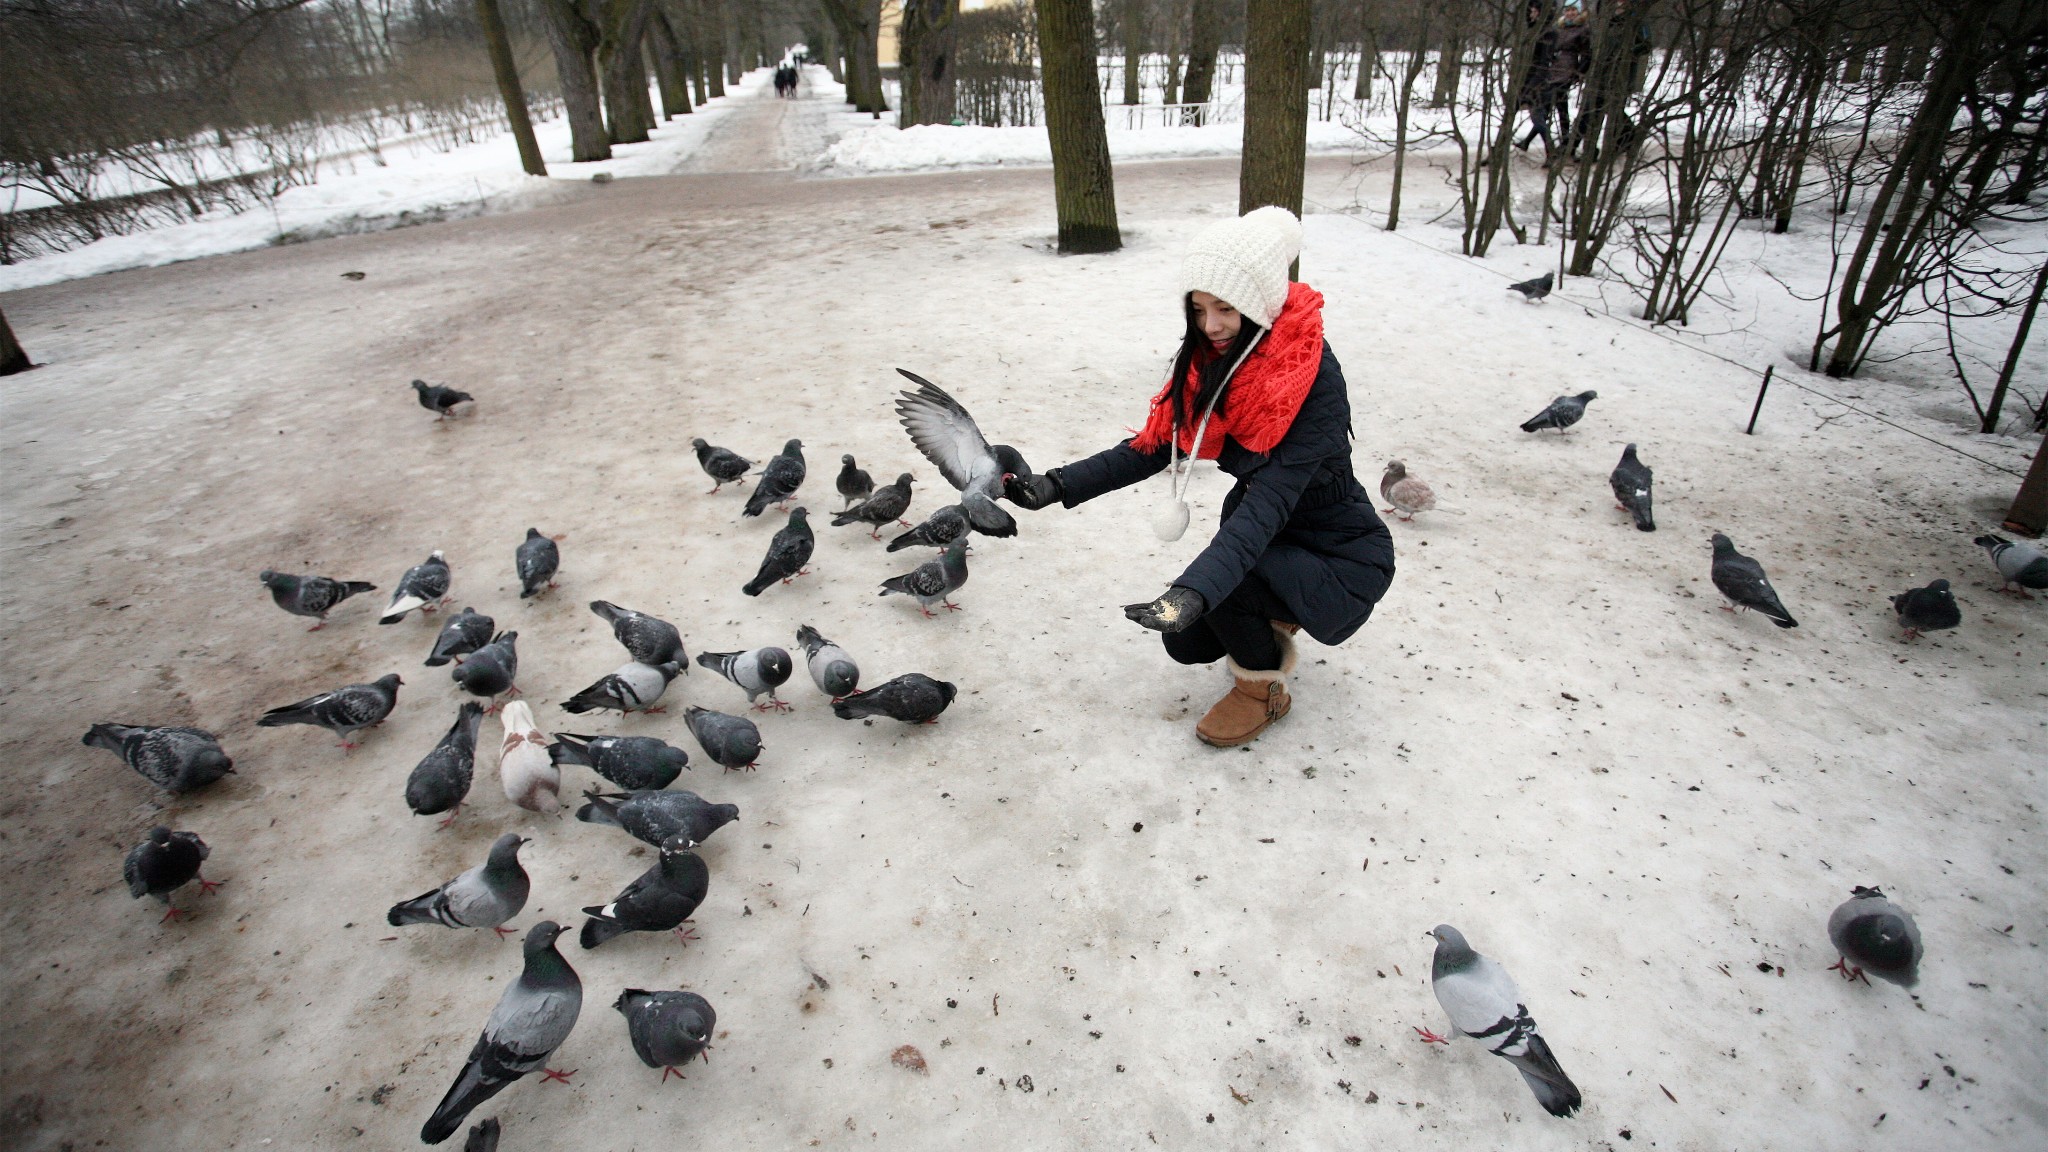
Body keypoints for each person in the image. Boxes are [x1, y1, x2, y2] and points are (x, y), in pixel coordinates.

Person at [1005, 208, 1396, 748]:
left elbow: (1270, 503)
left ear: (1259, 304)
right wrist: (1057, 484)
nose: (1209, 325)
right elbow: (1159, 443)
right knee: (1186, 645)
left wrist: (1195, 589)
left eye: (1226, 309)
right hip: (1269, 536)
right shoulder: (1221, 358)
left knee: (1227, 589)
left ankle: (1264, 692)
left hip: (1336, 549)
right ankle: (1270, 609)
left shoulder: (1309, 380)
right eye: (1199, 308)